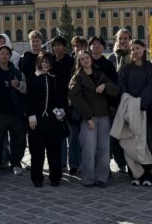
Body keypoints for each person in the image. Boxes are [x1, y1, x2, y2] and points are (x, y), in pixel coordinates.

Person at [69, 50, 119, 187]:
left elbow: (115, 90)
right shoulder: (77, 77)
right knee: (89, 149)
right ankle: (88, 178)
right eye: (82, 59)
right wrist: (88, 117)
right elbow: (76, 99)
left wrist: (105, 86)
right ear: (79, 62)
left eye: (87, 57)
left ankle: (102, 177)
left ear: (91, 59)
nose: (85, 60)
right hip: (88, 117)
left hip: (103, 115)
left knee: (104, 148)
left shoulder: (99, 74)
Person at [118, 39, 152, 185]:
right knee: (130, 141)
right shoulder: (125, 69)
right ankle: (135, 174)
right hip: (129, 109)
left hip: (145, 109)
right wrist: (129, 102)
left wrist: (141, 103)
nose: (135, 51)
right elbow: (121, 85)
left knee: (146, 142)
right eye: (132, 49)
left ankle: (147, 175)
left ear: (144, 49)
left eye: (138, 48)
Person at [26, 52, 68, 187]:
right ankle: (37, 178)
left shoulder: (55, 79)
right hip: (37, 119)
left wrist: (61, 111)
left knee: (54, 150)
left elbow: (61, 99)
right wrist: (31, 115)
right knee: (37, 150)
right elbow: (29, 99)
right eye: (43, 61)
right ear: (39, 62)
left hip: (53, 120)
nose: (46, 64)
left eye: (48, 62)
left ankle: (55, 177)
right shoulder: (32, 78)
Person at [0, 45, 27, 175]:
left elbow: (26, 89)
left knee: (18, 140)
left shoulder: (16, 71)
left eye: (7, 53)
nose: (4, 56)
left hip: (15, 111)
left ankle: (16, 163)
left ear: (10, 56)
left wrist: (18, 85)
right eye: (2, 53)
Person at [108, 28, 133, 173]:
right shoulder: (112, 58)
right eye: (120, 38)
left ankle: (131, 162)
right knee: (116, 133)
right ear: (116, 40)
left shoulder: (134, 56)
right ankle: (120, 162)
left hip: (130, 100)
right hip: (115, 101)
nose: (123, 41)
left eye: (125, 38)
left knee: (129, 134)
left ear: (129, 39)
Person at [51, 37, 75, 173]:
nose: (57, 48)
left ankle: (74, 164)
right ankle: (62, 163)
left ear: (64, 47)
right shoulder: (50, 60)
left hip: (68, 101)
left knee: (71, 134)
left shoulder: (70, 61)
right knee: (59, 133)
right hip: (55, 102)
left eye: (59, 45)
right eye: (55, 45)